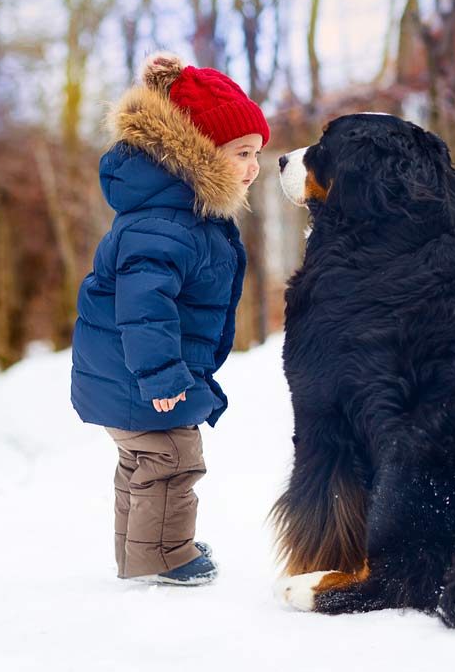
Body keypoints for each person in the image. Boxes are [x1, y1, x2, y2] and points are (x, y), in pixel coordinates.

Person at [70, 52, 269, 585]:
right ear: (199, 154)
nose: (253, 166)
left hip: (121, 377)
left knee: (140, 465)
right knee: (174, 459)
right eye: (241, 152)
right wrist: (161, 374)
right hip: (142, 378)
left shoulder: (178, 213)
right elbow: (143, 306)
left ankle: (139, 553)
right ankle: (164, 557)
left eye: (257, 154)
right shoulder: (167, 222)